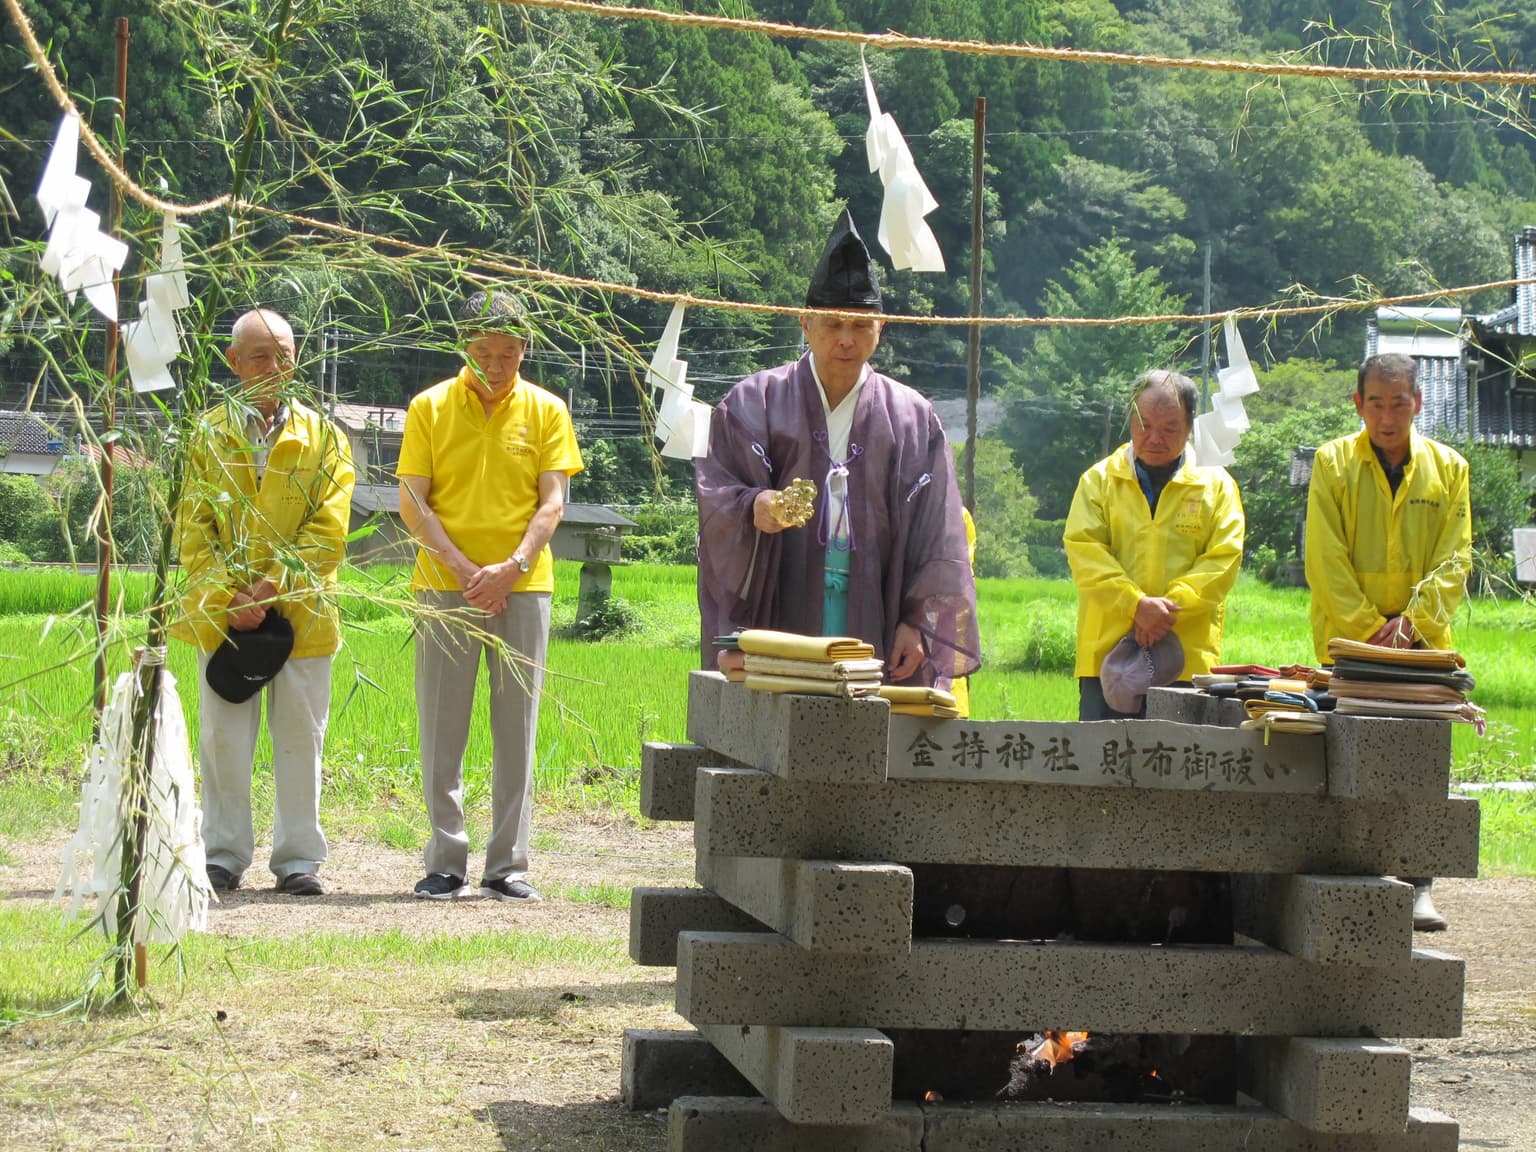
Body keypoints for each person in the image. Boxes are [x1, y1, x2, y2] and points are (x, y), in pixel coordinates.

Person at [695, 211, 980, 688]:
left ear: (881, 327)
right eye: (832, 324)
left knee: (864, 740)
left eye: (860, 324)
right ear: (805, 324)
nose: (846, 338)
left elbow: (938, 533)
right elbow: (716, 494)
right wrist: (754, 507)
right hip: (783, 593)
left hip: (878, 601)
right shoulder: (753, 403)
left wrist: (916, 622)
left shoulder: (913, 417)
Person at [397, 289, 583, 903]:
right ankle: (445, 860)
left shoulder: (547, 410)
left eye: (509, 353)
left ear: (524, 351)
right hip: (443, 585)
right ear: (464, 347)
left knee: (516, 726)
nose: (497, 366)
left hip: (523, 587)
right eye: (484, 352)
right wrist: (460, 566)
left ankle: (507, 864)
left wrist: (512, 566)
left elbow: (552, 501)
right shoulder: (429, 407)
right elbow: (414, 500)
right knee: (441, 725)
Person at [175, 309, 356, 897]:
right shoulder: (206, 434)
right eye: (260, 355)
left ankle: (299, 859)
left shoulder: (325, 436)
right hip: (224, 614)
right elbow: (192, 529)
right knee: (223, 734)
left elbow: (329, 528)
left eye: (283, 354)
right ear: (234, 363)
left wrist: (273, 584)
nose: (274, 366)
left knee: (301, 735)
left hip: (302, 610)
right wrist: (227, 597)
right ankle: (223, 854)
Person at [1304, 351, 1472, 932]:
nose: (1387, 415)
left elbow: (1456, 558)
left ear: (1418, 403)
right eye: (1375, 402)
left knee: (1421, 761)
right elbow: (1324, 556)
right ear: (1358, 404)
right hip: (1351, 644)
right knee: (1350, 753)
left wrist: (1410, 624)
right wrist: (1369, 626)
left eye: (1399, 402)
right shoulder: (1332, 463)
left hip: (1423, 649)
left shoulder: (1449, 468)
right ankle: (1355, 878)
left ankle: (1420, 883)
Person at [1063, 370, 1245, 720]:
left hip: (1186, 661)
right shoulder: (1098, 481)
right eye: (1144, 425)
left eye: (1170, 428)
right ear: (1130, 419)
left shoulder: (1217, 485)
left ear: (1191, 427)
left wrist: (1164, 611)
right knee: (1103, 767)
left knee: (1179, 767)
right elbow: (1084, 551)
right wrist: (1134, 605)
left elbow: (1223, 560)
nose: (1154, 438)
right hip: (1107, 659)